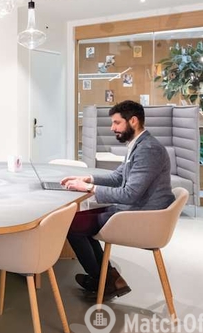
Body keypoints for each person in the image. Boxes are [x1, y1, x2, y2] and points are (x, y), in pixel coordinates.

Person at [61, 100, 175, 302]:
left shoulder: (148, 149)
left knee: (72, 226)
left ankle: (103, 281)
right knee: (78, 221)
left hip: (141, 216)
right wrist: (88, 179)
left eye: (116, 123)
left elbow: (129, 194)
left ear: (133, 121)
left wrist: (89, 189)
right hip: (134, 209)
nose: (112, 128)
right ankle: (107, 279)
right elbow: (118, 178)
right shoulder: (138, 145)